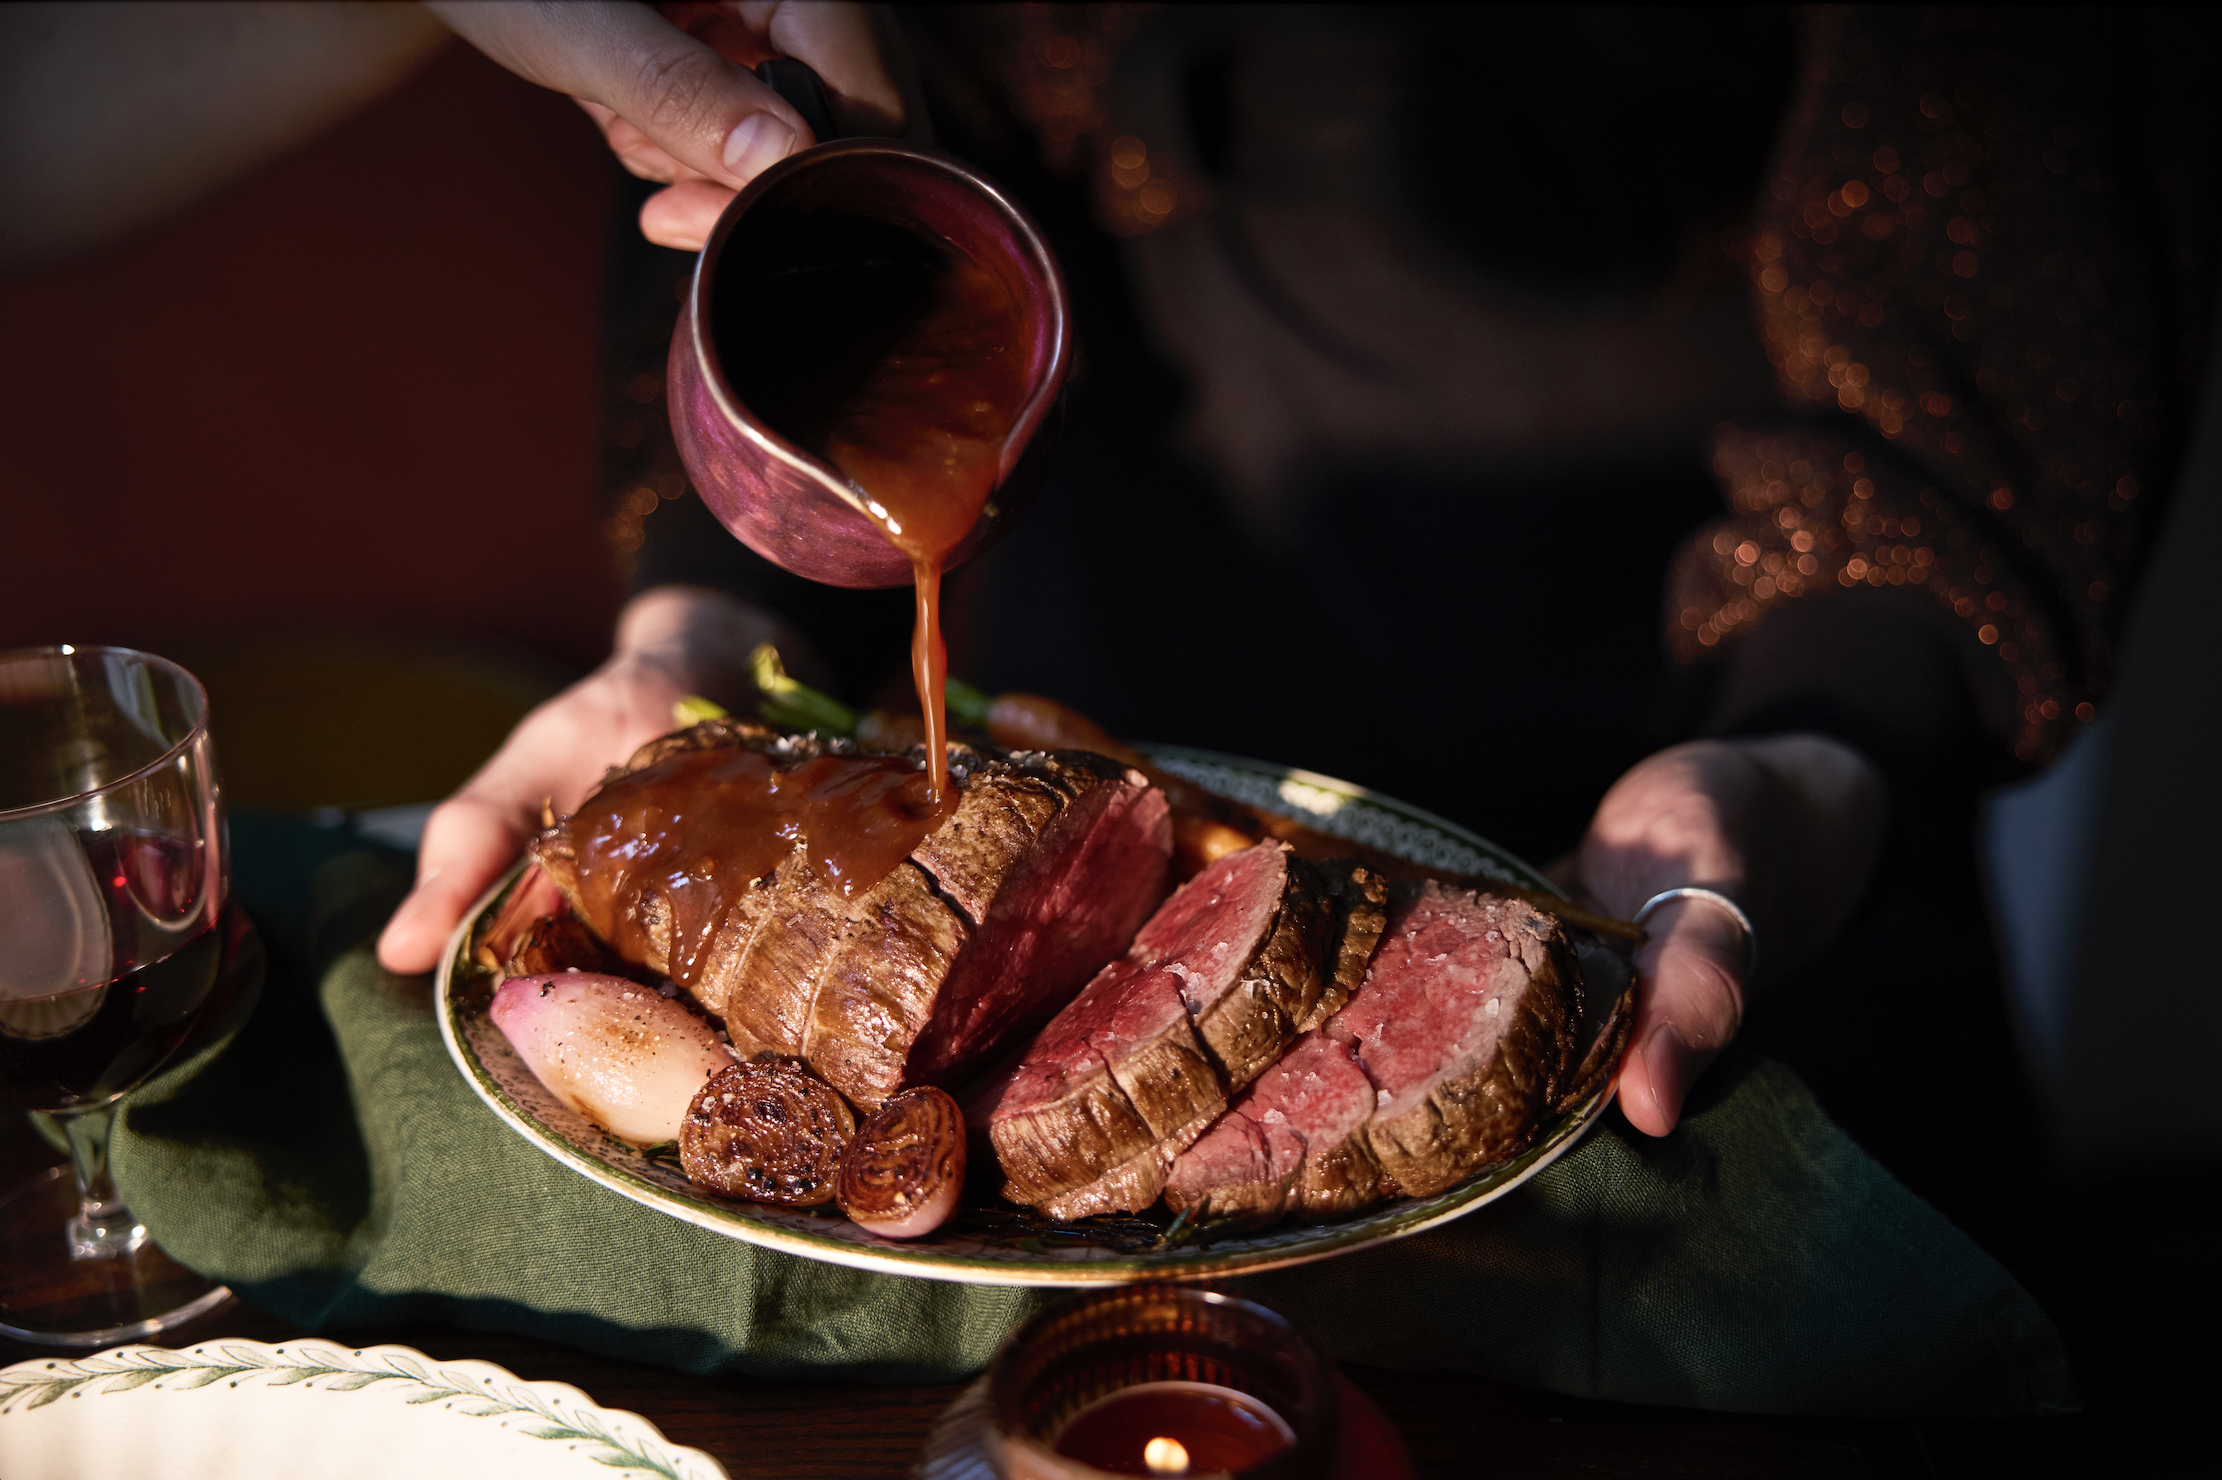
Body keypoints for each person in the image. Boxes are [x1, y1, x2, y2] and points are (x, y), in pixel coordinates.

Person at [374, 1, 1914, 1150]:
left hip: (1673, 719)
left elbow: (1967, 312)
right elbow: (758, 164)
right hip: (1057, 632)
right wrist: (704, 630)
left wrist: (1808, 746)